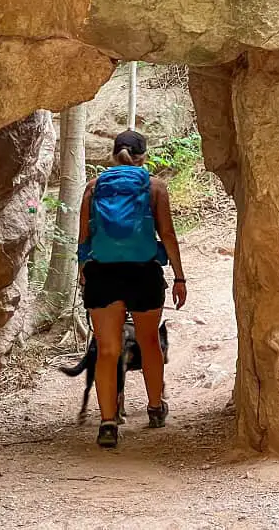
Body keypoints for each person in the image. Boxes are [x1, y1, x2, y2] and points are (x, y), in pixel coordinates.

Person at [76, 130, 187, 448]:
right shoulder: (154, 187)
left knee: (107, 350)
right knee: (150, 341)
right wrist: (179, 277)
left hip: (103, 274)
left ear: (114, 156)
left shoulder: (94, 187)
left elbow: (84, 236)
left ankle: (108, 423)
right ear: (144, 157)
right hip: (143, 273)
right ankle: (155, 408)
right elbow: (166, 233)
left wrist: (84, 271)